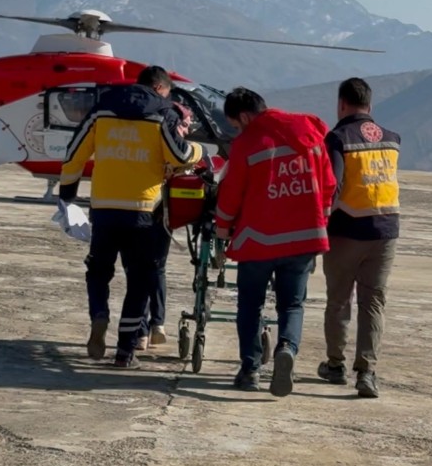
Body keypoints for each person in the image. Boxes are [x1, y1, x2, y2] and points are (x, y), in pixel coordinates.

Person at [60, 66, 204, 368]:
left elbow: (74, 153)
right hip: (143, 211)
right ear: (161, 88)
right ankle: (125, 351)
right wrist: (198, 151)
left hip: (104, 208)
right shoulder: (163, 112)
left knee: (98, 271)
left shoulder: (103, 108)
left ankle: (99, 315)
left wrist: (68, 196)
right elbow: (177, 157)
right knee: (140, 278)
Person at [214, 87, 336, 397]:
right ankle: (287, 349)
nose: (236, 131)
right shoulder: (311, 136)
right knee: (292, 305)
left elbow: (231, 194)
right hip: (304, 238)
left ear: (244, 116)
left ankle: (250, 369)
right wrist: (319, 220)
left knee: (250, 305)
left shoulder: (247, 144)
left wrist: (223, 228)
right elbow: (329, 186)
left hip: (258, 240)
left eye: (235, 125)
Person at [315, 77, 401, 399]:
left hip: (347, 231)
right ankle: (367, 373)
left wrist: (319, 223)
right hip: (387, 231)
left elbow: (332, 186)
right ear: (370, 105)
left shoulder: (337, 138)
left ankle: (335, 365)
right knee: (373, 302)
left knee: (339, 300)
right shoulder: (393, 139)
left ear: (341, 104)